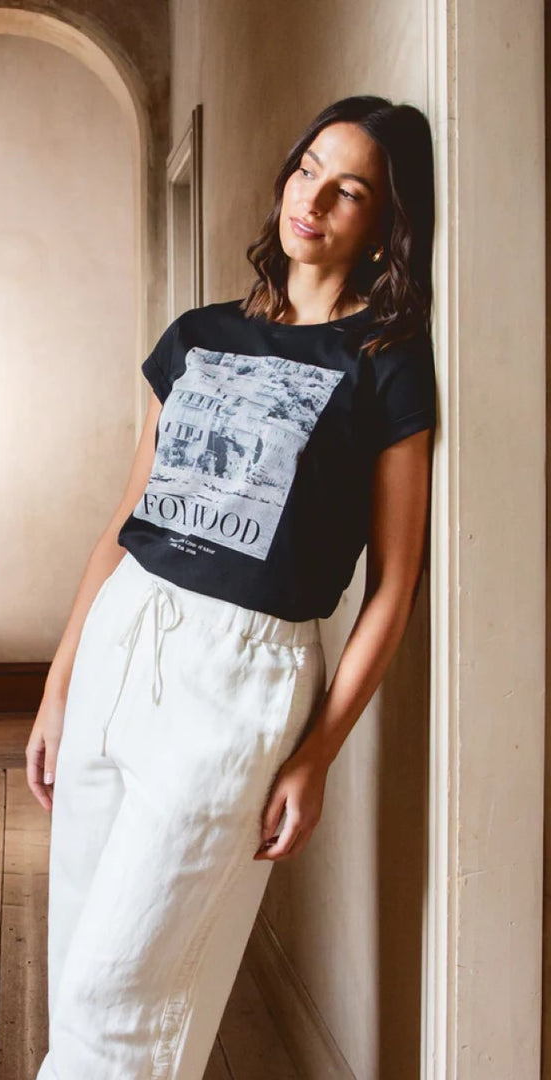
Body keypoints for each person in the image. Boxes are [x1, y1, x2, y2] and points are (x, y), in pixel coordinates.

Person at [28, 93, 437, 1080]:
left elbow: (394, 584)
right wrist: (58, 683)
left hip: (241, 676)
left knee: (118, 989)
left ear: (385, 219)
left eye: (351, 189)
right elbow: (125, 526)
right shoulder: (200, 334)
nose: (315, 199)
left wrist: (318, 754)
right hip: (123, 642)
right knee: (76, 957)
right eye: (308, 171)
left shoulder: (384, 363)